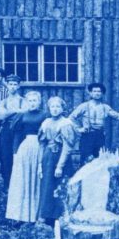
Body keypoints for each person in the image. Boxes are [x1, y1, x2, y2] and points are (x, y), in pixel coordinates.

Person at [5, 91, 47, 223]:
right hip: (25, 148)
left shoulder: (45, 115)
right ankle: (21, 216)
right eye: (30, 101)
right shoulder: (22, 115)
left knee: (37, 179)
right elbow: (17, 135)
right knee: (23, 179)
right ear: (26, 102)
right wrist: (15, 153)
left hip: (40, 146)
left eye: (35, 100)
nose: (32, 103)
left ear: (39, 102)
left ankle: (37, 215)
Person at [37, 96, 78, 226]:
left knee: (60, 185)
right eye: (52, 107)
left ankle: (60, 216)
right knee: (47, 185)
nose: (55, 109)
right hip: (47, 158)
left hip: (60, 157)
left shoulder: (66, 123)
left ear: (62, 108)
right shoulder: (46, 122)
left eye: (58, 106)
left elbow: (67, 147)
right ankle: (46, 216)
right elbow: (42, 144)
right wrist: (39, 164)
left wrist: (60, 166)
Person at [69, 83, 119, 165]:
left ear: (102, 94)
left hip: (100, 136)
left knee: (99, 160)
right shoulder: (84, 106)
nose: (97, 93)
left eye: (99, 91)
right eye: (94, 91)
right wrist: (79, 129)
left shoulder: (105, 107)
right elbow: (71, 118)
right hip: (87, 136)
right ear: (90, 93)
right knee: (85, 160)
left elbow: (118, 116)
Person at [0, 74, 26, 189]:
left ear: (18, 86)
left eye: (15, 84)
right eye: (10, 84)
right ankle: (7, 184)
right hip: (6, 130)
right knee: (5, 156)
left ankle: (19, 184)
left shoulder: (23, 100)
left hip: (19, 130)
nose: (12, 87)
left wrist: (8, 112)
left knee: (18, 155)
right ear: (7, 85)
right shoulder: (4, 101)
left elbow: (25, 113)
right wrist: (15, 111)